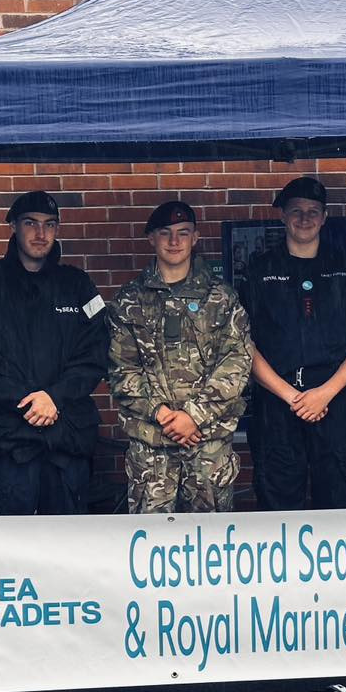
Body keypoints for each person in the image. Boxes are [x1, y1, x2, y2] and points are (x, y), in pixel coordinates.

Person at [0, 190, 108, 515]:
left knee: (65, 553)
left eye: (49, 225)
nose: (40, 234)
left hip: (65, 444)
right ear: (13, 226)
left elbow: (95, 355)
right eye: (31, 223)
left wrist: (54, 397)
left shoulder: (77, 285)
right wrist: (27, 399)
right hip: (5, 446)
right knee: (5, 556)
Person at [108, 201, 253, 514]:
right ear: (152, 239)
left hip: (207, 444)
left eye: (183, 233)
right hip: (152, 447)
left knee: (213, 546)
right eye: (165, 233)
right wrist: (162, 414)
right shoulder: (129, 300)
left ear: (195, 238)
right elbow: (121, 371)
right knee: (151, 547)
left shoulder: (221, 297)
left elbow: (237, 363)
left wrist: (193, 417)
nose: (174, 242)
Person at [241, 177, 346, 510]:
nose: (304, 219)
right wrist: (294, 398)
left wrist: (324, 394)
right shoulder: (259, 270)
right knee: (278, 506)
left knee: (338, 501)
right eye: (296, 211)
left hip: (334, 403)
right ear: (283, 217)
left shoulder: (345, 268)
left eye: (313, 211)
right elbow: (244, 344)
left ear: (324, 217)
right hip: (278, 404)